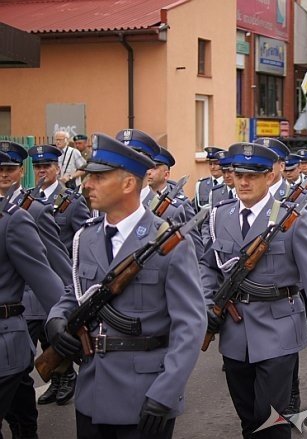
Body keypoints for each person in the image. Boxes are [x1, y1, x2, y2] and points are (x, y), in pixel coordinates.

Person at [46, 133, 205, 439]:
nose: (86, 185)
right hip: (92, 389)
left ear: (128, 184)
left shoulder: (167, 243)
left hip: (144, 391)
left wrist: (166, 392)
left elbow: (190, 324)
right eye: (87, 176)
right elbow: (75, 292)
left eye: (98, 177)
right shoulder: (86, 236)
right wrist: (56, 319)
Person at [201, 142, 307, 438]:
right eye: (238, 174)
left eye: (252, 175)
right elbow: (208, 267)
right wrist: (206, 305)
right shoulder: (219, 216)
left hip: (278, 327)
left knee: (271, 420)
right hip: (235, 331)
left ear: (269, 177)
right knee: (248, 419)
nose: (243, 182)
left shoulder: (291, 219)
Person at [0, 141, 75, 415]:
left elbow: (56, 263)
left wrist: (70, 312)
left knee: (42, 348)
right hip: (18, 310)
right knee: (20, 386)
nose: (4, 174)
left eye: (9, 169)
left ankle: (64, 374)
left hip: (27, 305)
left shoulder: (31, 210)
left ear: (20, 171)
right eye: (0, 169)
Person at [28, 144, 91, 254]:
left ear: (57, 169)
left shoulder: (73, 201)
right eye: (37, 167)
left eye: (47, 166)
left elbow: (86, 241)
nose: (41, 170)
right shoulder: (28, 199)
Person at [194, 146, 225, 212]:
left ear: (223, 165)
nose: (212, 167)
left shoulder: (229, 184)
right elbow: (196, 211)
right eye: (210, 164)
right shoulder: (201, 185)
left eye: (216, 164)